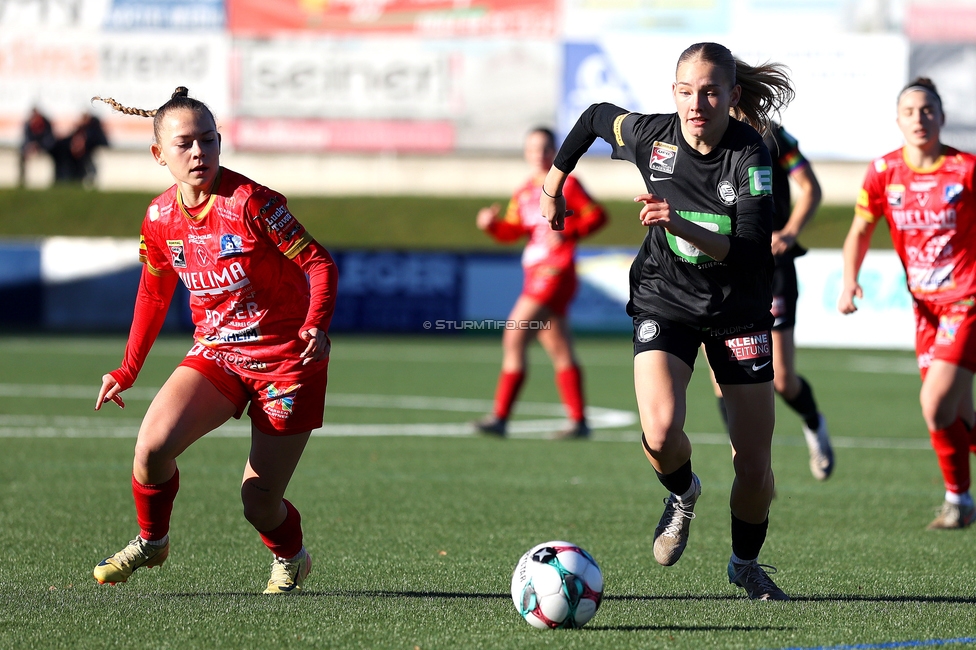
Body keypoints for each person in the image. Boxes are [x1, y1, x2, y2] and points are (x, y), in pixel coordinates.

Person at [541, 42, 794, 600]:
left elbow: (752, 250)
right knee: (659, 433)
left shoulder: (750, 154)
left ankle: (745, 563)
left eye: (709, 91)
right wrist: (553, 186)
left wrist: (679, 221)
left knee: (753, 465)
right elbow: (592, 118)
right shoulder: (653, 137)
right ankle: (682, 494)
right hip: (666, 297)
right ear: (673, 93)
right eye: (685, 91)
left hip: (738, 310)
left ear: (731, 96)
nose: (696, 103)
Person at [89, 87, 339, 593]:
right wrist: (127, 370)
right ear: (159, 154)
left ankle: (291, 556)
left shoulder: (252, 203)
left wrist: (315, 322)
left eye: (208, 140)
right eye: (185, 144)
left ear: (220, 143)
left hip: (285, 362)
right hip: (219, 353)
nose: (199, 152)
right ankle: (153, 542)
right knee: (152, 447)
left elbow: (318, 263)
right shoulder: (160, 217)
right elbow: (153, 294)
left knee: (258, 503)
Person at [839, 77, 976, 530]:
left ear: (942, 116)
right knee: (956, 414)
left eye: (928, 110)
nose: (919, 119)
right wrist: (849, 280)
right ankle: (960, 502)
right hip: (925, 312)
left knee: (935, 404)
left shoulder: (966, 170)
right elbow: (861, 229)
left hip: (966, 303)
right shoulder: (883, 171)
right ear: (897, 119)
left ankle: (957, 501)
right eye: (910, 111)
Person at [708, 122, 835, 480]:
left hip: (770, 269)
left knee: (782, 379)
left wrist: (790, 232)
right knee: (722, 377)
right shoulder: (701, 131)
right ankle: (747, 466)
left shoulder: (773, 137)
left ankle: (814, 423)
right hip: (718, 268)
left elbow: (810, 188)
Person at [474, 127, 608, 440]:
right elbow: (512, 230)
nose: (539, 154)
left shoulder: (568, 183)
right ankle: (579, 422)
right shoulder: (523, 192)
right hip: (535, 274)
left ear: (556, 151)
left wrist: (570, 232)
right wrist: (491, 225)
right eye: (533, 148)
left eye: (546, 148)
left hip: (556, 271)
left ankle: (500, 417)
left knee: (514, 334)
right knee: (559, 347)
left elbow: (598, 216)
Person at [52, 111, 109, 185]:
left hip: (89, 155)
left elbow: (99, 141)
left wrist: (83, 145)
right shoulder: (80, 130)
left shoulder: (93, 130)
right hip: (78, 157)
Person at [18, 107, 54, 187]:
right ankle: (22, 180)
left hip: (44, 148)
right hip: (32, 148)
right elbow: (26, 139)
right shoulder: (28, 124)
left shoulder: (46, 124)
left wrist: (39, 146)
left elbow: (49, 139)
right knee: (21, 155)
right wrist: (29, 147)